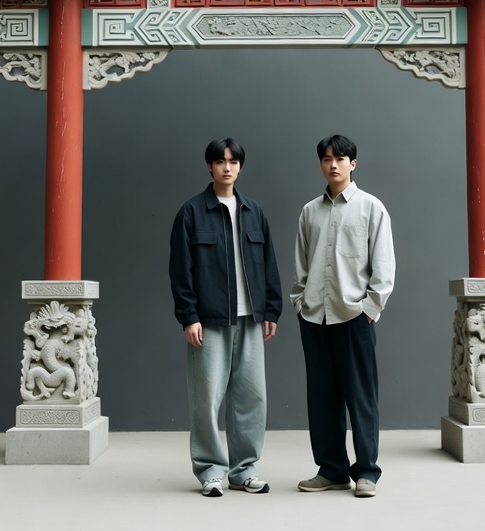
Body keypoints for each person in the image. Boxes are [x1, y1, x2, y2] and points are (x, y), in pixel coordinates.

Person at [169, 137, 282, 497]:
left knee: (252, 398)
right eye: (220, 161)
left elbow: (268, 266)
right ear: (209, 166)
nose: (227, 167)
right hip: (209, 320)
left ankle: (244, 470)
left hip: (250, 319)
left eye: (233, 161)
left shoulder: (254, 211)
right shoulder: (191, 212)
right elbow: (180, 270)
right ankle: (210, 471)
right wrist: (189, 316)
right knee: (206, 398)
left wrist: (270, 309)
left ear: (241, 166)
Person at [291, 134, 395, 498]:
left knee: (360, 396)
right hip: (315, 318)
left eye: (340, 158)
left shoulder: (371, 208)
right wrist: (299, 303)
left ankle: (366, 471)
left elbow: (383, 265)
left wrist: (370, 309)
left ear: (353, 163)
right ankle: (332, 469)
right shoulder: (309, 211)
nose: (333, 164)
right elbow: (301, 264)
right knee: (321, 397)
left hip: (354, 317)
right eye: (326, 158)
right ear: (320, 163)